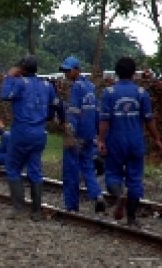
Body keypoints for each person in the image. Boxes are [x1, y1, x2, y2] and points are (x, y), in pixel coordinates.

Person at [98, 57, 162, 226]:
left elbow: (105, 121)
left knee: (112, 174)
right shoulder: (142, 93)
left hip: (116, 140)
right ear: (134, 73)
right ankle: (132, 218)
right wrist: (157, 139)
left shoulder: (109, 93)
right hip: (136, 140)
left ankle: (120, 197)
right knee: (135, 179)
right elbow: (149, 120)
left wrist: (100, 140)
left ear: (117, 73)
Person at [0, 55, 58, 220]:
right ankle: (36, 211)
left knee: (13, 168)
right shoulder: (47, 85)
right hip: (40, 132)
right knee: (35, 170)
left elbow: (4, 95)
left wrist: (10, 76)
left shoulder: (19, 82)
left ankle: (18, 209)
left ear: (22, 69)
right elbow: (55, 105)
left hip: (21, 131)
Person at [59, 56, 106, 213]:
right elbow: (96, 113)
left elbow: (73, 113)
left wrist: (69, 135)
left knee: (71, 170)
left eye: (68, 70)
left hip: (77, 135)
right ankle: (97, 195)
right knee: (87, 167)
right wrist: (98, 136)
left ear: (76, 70)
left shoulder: (76, 88)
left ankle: (72, 206)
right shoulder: (91, 87)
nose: (66, 74)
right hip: (89, 135)